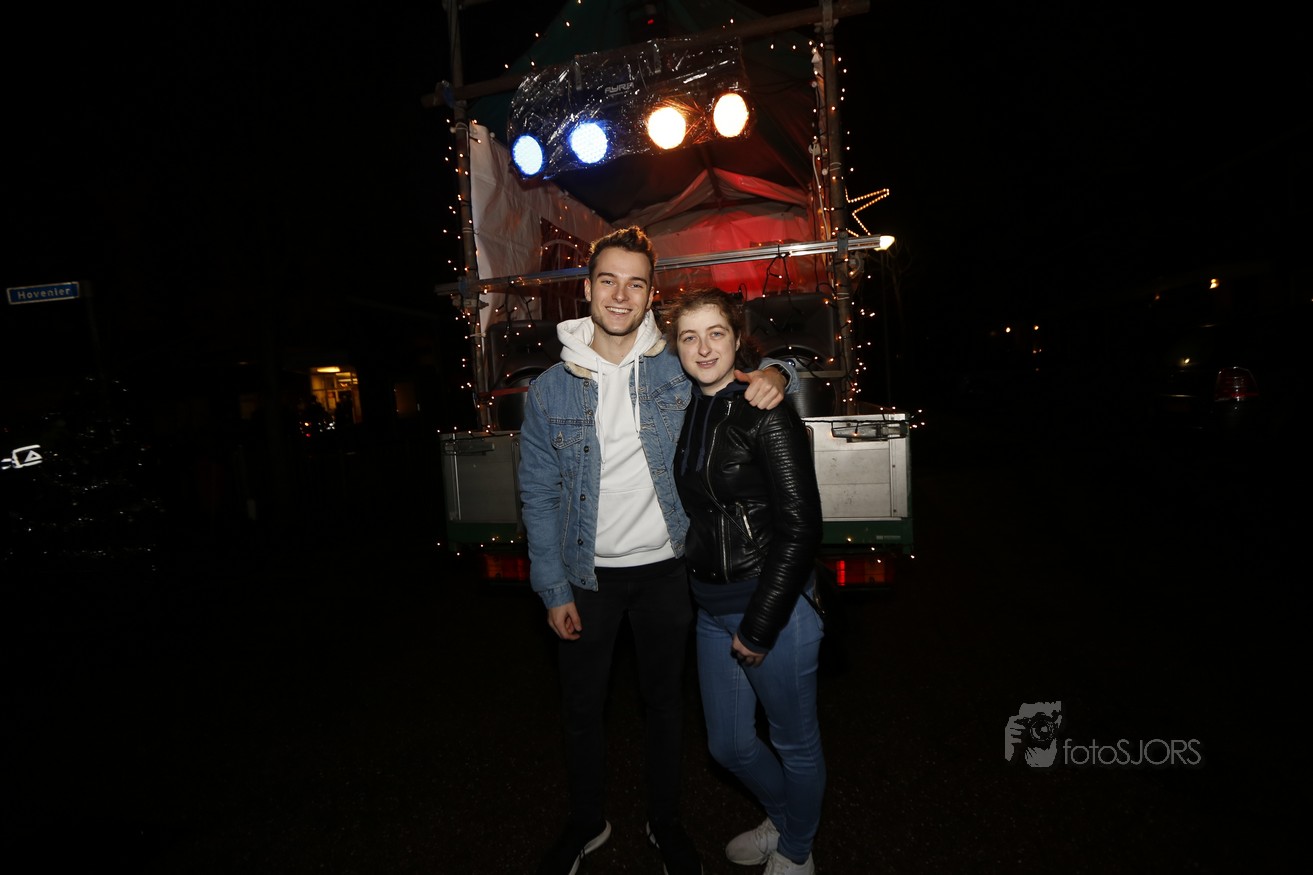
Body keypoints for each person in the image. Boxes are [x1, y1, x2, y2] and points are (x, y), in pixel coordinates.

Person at [518, 228, 796, 875]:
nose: (620, 295)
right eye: (608, 280)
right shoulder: (550, 390)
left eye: (635, 283)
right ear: (587, 289)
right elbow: (537, 493)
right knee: (581, 710)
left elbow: (741, 369)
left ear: (650, 296)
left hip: (667, 571)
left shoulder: (676, 365)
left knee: (665, 706)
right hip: (586, 577)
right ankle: (587, 821)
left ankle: (663, 820)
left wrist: (777, 374)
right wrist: (552, 587)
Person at [665, 288, 826, 875]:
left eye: (716, 333)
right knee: (728, 746)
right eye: (689, 337)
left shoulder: (765, 409)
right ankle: (786, 819)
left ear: (737, 339)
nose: (704, 348)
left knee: (794, 743)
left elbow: (802, 527)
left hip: (772, 608)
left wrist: (760, 626)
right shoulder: (685, 410)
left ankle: (797, 851)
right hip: (711, 609)